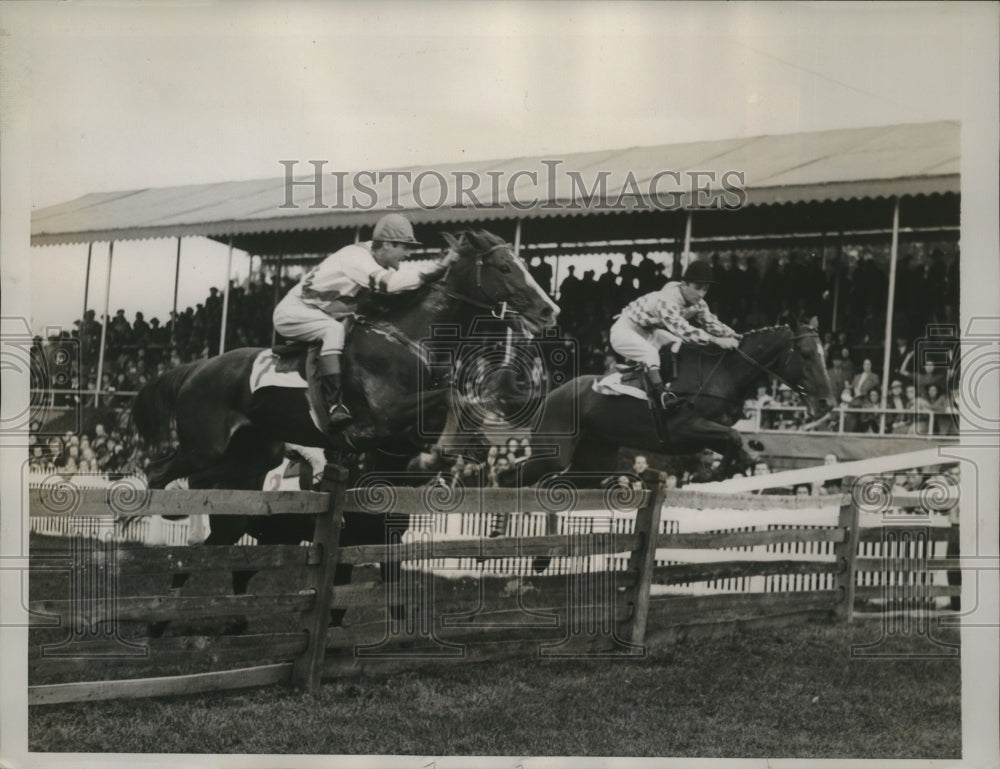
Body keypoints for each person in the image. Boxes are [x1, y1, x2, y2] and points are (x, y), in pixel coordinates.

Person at [272, 213, 447, 430]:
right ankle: (334, 404)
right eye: (404, 247)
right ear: (388, 244)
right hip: (294, 312)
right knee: (333, 331)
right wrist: (438, 269)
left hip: (320, 312)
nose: (408, 253)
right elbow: (389, 284)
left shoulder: (371, 259)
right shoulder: (356, 258)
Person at [609, 259, 740, 409]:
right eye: (697, 288)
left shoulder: (699, 303)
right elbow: (682, 330)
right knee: (651, 354)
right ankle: (662, 396)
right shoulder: (666, 300)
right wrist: (716, 340)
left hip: (648, 332)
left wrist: (735, 335)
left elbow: (711, 323)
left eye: (705, 289)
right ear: (684, 285)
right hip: (625, 330)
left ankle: (672, 385)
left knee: (678, 345)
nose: (701, 294)